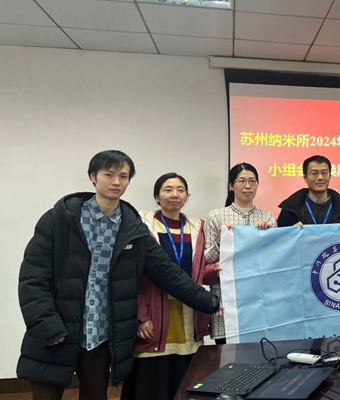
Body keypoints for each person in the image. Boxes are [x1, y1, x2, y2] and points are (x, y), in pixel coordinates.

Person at [17, 151, 223, 400]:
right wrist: (46, 325)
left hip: (103, 335)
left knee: (95, 396)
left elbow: (168, 273)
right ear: (93, 177)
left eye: (123, 176)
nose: (116, 181)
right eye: (109, 174)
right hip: (59, 329)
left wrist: (210, 302)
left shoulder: (133, 228)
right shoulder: (59, 220)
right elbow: (32, 279)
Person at [121, 173, 213, 400]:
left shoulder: (198, 227)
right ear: (157, 196)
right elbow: (132, 275)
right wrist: (141, 316)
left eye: (180, 190)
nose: (175, 195)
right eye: (168, 190)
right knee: (152, 383)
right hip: (154, 314)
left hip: (188, 314)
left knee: (184, 380)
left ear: (187, 196)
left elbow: (200, 271)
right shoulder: (142, 226)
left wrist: (217, 270)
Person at [204, 163, 277, 343]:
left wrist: (268, 236)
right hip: (226, 296)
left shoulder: (268, 218)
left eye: (252, 181)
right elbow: (206, 258)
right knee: (225, 353)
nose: (247, 186)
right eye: (242, 181)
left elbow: (275, 259)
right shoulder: (216, 216)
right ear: (231, 186)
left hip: (258, 297)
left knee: (260, 350)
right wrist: (221, 240)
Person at [277, 155, 340, 227]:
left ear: (330, 176)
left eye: (324, 173)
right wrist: (290, 232)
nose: (320, 178)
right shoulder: (290, 210)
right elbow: (279, 238)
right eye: (314, 173)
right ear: (305, 178)